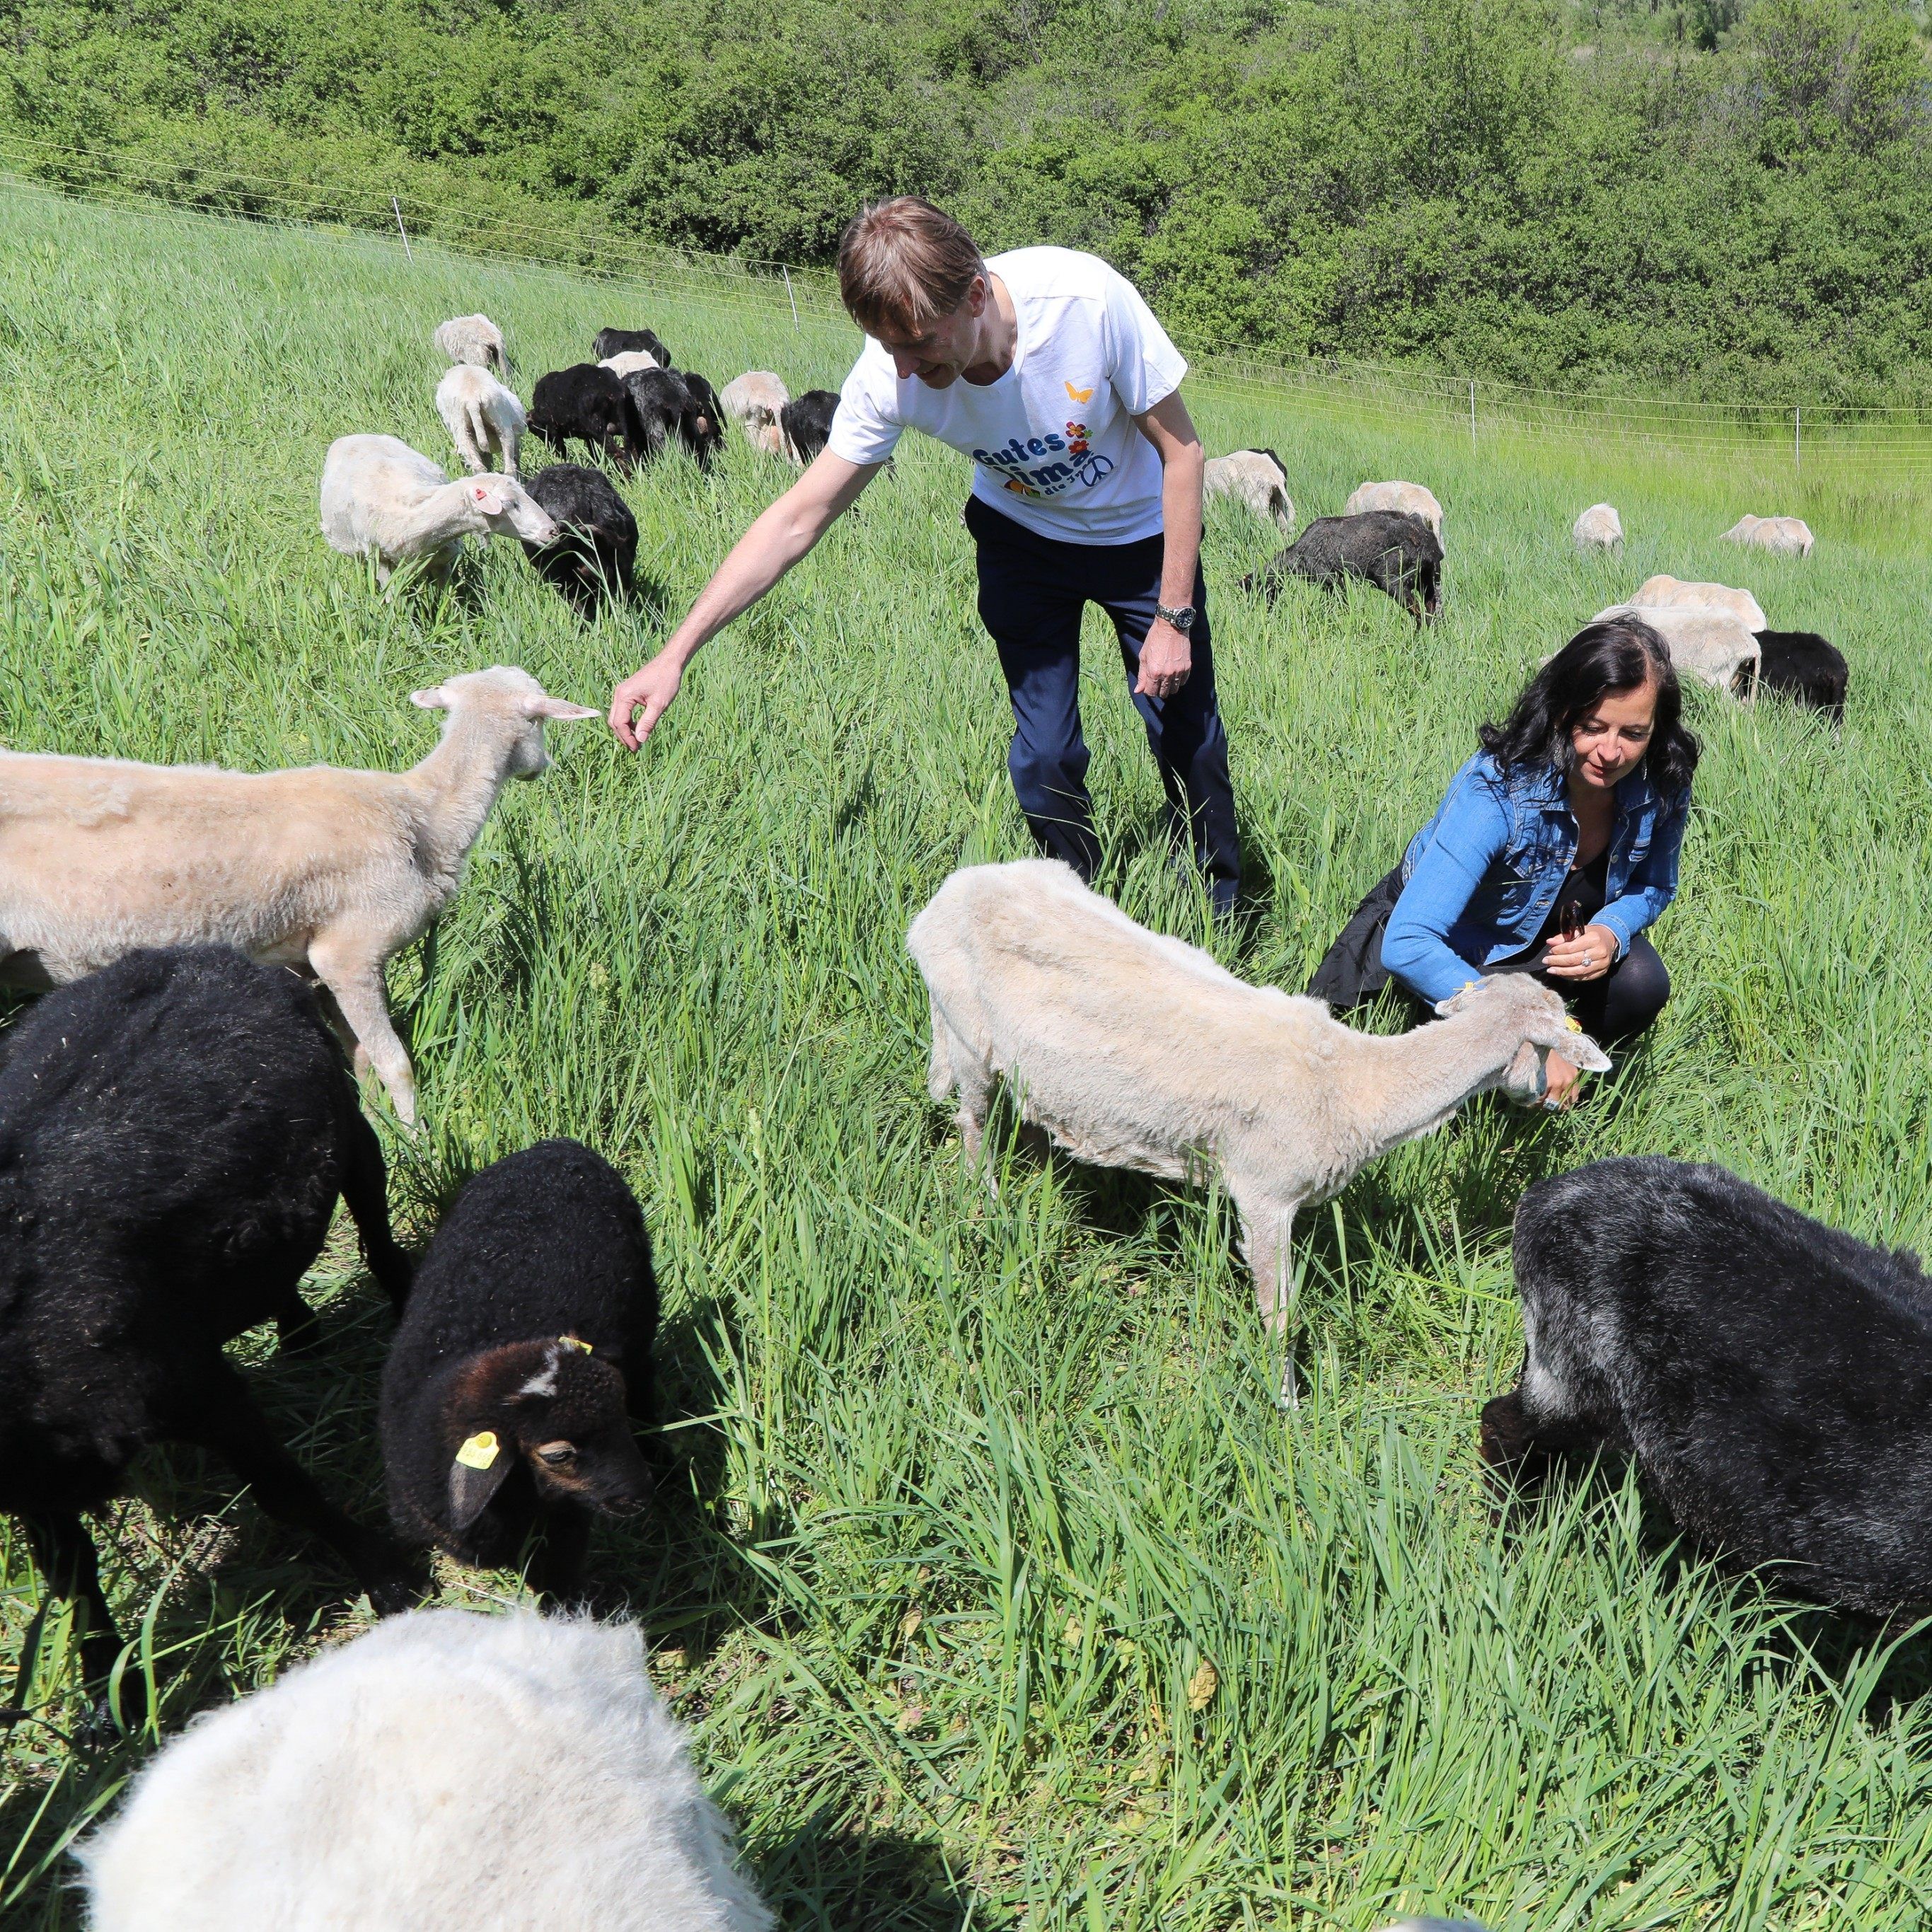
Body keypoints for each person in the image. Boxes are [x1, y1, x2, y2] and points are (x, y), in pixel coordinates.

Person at [607, 197, 1241, 915]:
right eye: (887, 348)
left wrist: (1173, 615)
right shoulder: (889, 374)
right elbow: (797, 517)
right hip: (1023, 543)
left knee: (1186, 737)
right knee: (1042, 759)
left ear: (974, 295)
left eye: (919, 345)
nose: (903, 370)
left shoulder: (1084, 304)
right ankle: (1080, 910)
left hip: (1140, 541)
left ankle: (1222, 910)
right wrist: (674, 653)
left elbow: (1182, 451)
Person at [1308, 616, 1696, 1108]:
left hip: (1546, 946)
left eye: (1633, 733)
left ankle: (1564, 1072)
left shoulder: (1661, 781)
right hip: (1459, 949)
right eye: (1593, 726)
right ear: (1561, 713)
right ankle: (1513, 1070)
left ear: (1655, 729)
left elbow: (1655, 885)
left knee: (1641, 982)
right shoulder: (1499, 789)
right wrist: (1523, 1033)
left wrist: (1611, 930)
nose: (1610, 751)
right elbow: (1409, 941)